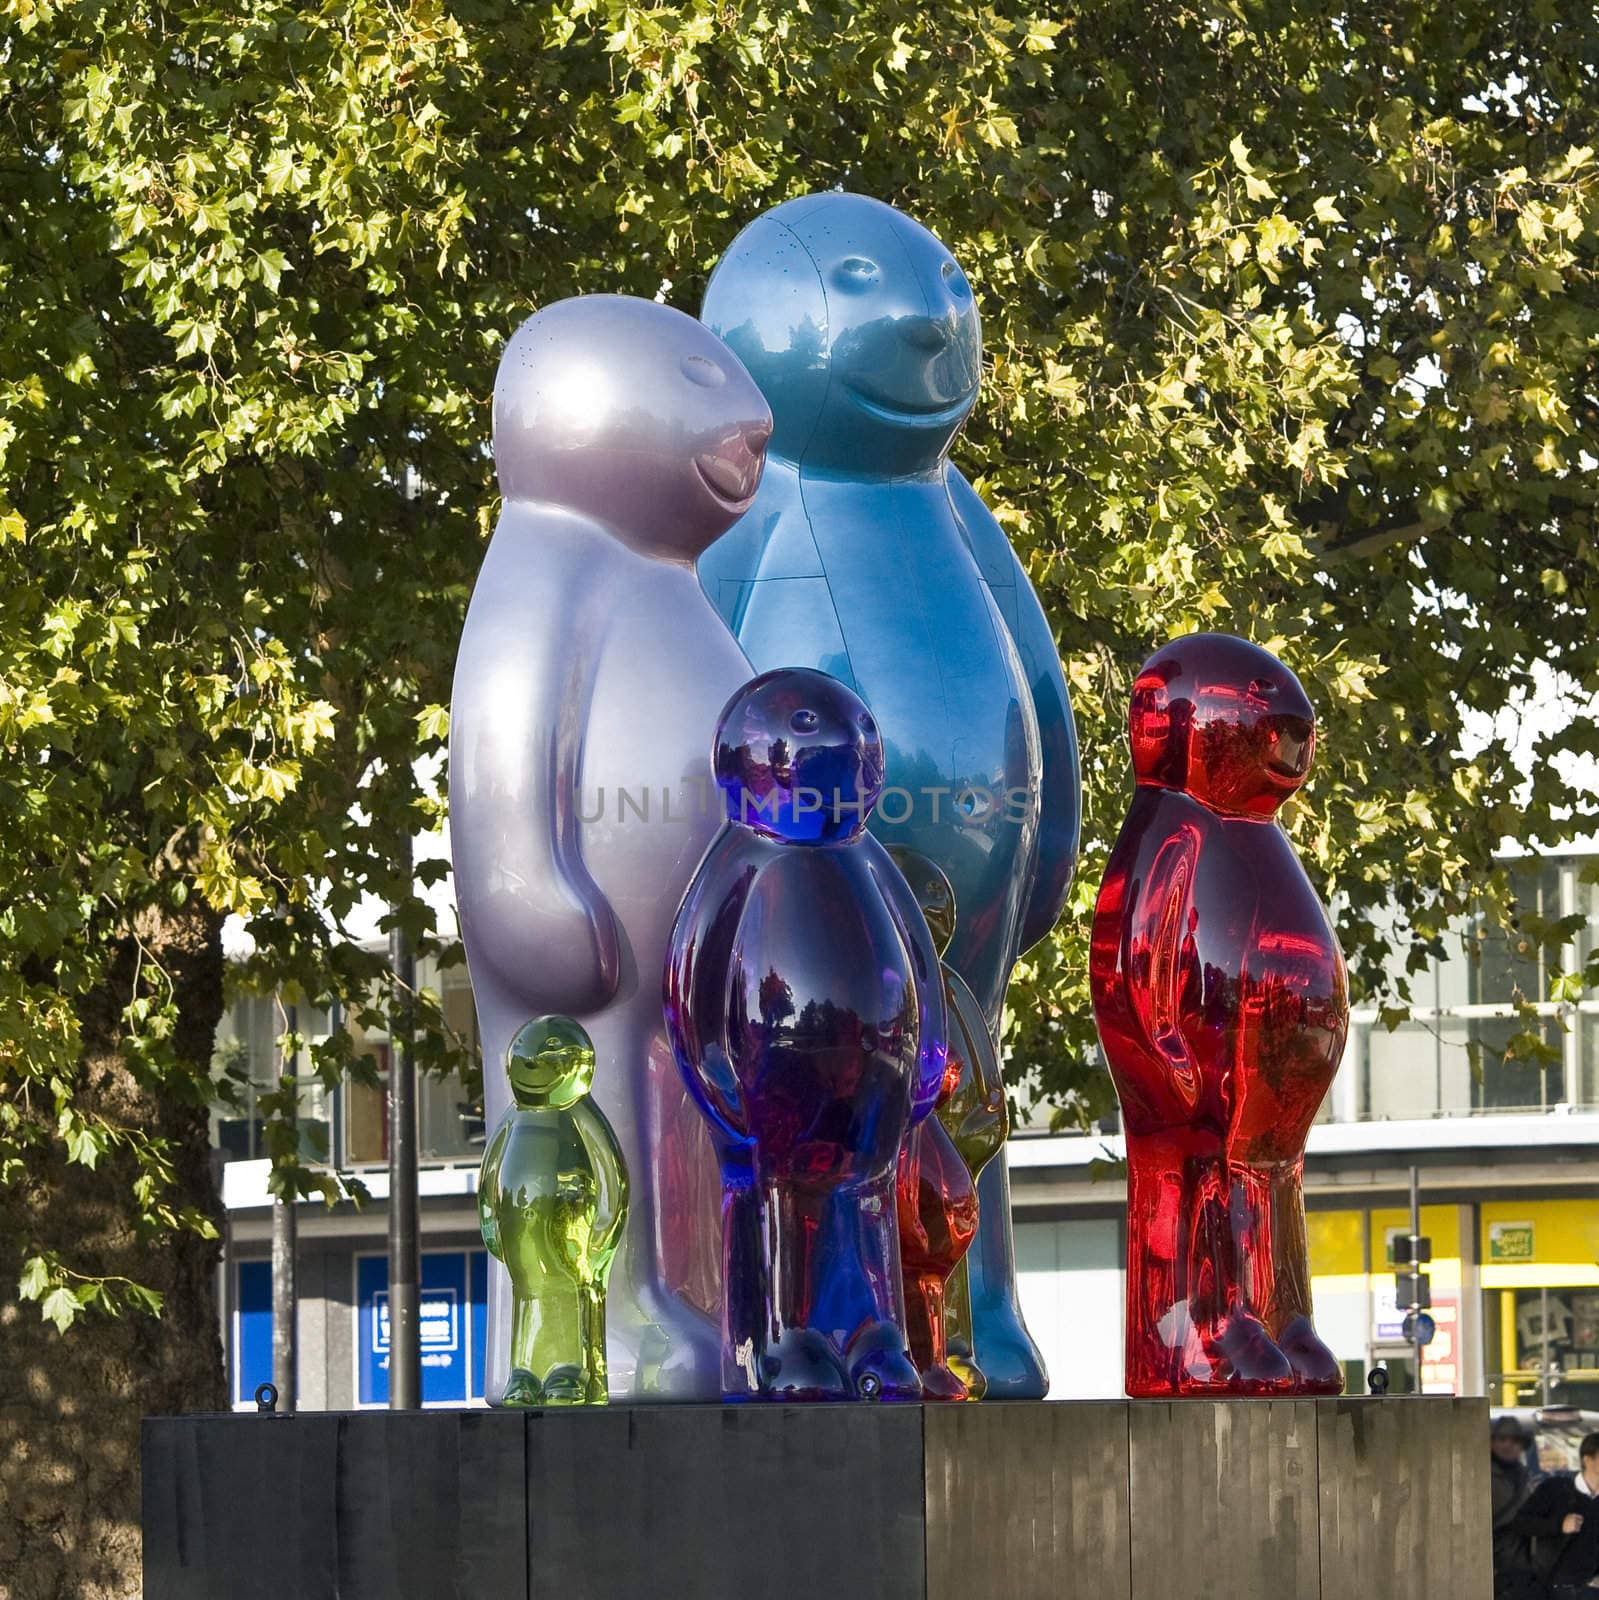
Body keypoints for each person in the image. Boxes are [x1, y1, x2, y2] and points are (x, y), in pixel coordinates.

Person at [1506, 1430, 1599, 1598]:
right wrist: (1559, 1525)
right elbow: (1521, 1523)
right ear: (1588, 1460)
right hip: (1556, 1588)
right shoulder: (1556, 1490)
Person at [1494, 1415, 1537, 1586]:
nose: (1508, 1445)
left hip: (1522, 1562)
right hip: (1494, 1563)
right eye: (1502, 1439)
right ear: (1491, 1443)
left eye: (1514, 1440)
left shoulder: (1525, 1476)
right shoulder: (1482, 1475)